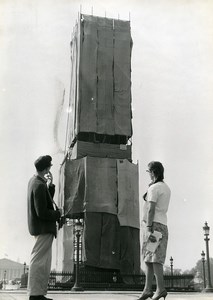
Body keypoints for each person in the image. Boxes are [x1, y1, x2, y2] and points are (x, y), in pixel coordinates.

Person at [27, 155, 62, 300]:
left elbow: (45, 201)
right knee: (40, 262)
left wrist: (51, 185)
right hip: (44, 228)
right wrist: (57, 214)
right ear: (47, 168)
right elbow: (42, 211)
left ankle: (38, 293)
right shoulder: (39, 185)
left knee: (42, 261)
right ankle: (35, 294)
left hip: (40, 228)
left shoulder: (35, 181)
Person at [139, 161, 171, 300]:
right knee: (149, 258)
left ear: (153, 172)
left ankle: (160, 289)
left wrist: (148, 226)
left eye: (149, 172)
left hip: (153, 226)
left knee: (154, 258)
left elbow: (151, 208)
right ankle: (147, 289)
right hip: (162, 225)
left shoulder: (154, 188)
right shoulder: (166, 187)